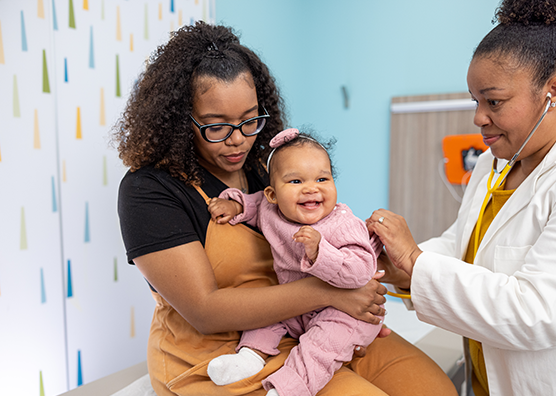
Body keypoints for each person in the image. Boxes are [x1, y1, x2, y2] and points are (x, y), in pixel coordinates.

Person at [113, 22, 457, 396]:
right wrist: (333, 294)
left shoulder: (268, 172)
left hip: (303, 327)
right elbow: (205, 310)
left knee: (436, 389)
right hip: (216, 354)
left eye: (250, 120)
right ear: (181, 122)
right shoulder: (149, 190)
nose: (239, 140)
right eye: (217, 127)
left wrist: (358, 307)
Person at [367, 0, 556, 395]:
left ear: (554, 91)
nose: (478, 117)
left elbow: (541, 313)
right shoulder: (497, 161)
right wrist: (396, 266)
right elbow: (464, 245)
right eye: (475, 100)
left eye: (493, 101)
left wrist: (416, 263)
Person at [206, 128, 383, 396]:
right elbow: (254, 205)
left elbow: (361, 271)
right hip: (294, 306)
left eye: (322, 178)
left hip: (342, 310)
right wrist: (236, 207)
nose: (312, 188)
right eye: (296, 182)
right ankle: (249, 357)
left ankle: (289, 388)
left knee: (321, 345)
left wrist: (321, 252)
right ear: (273, 195)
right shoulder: (270, 211)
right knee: (263, 313)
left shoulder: (342, 224)